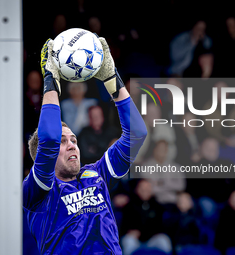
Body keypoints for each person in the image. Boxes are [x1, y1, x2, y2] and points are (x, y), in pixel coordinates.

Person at [22, 37, 147, 254]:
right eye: (63, 142)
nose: (72, 145)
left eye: (73, 140)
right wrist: (50, 79)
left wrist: (111, 78)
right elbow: (49, 139)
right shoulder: (38, 191)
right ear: (44, 157)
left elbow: (137, 134)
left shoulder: (96, 173)